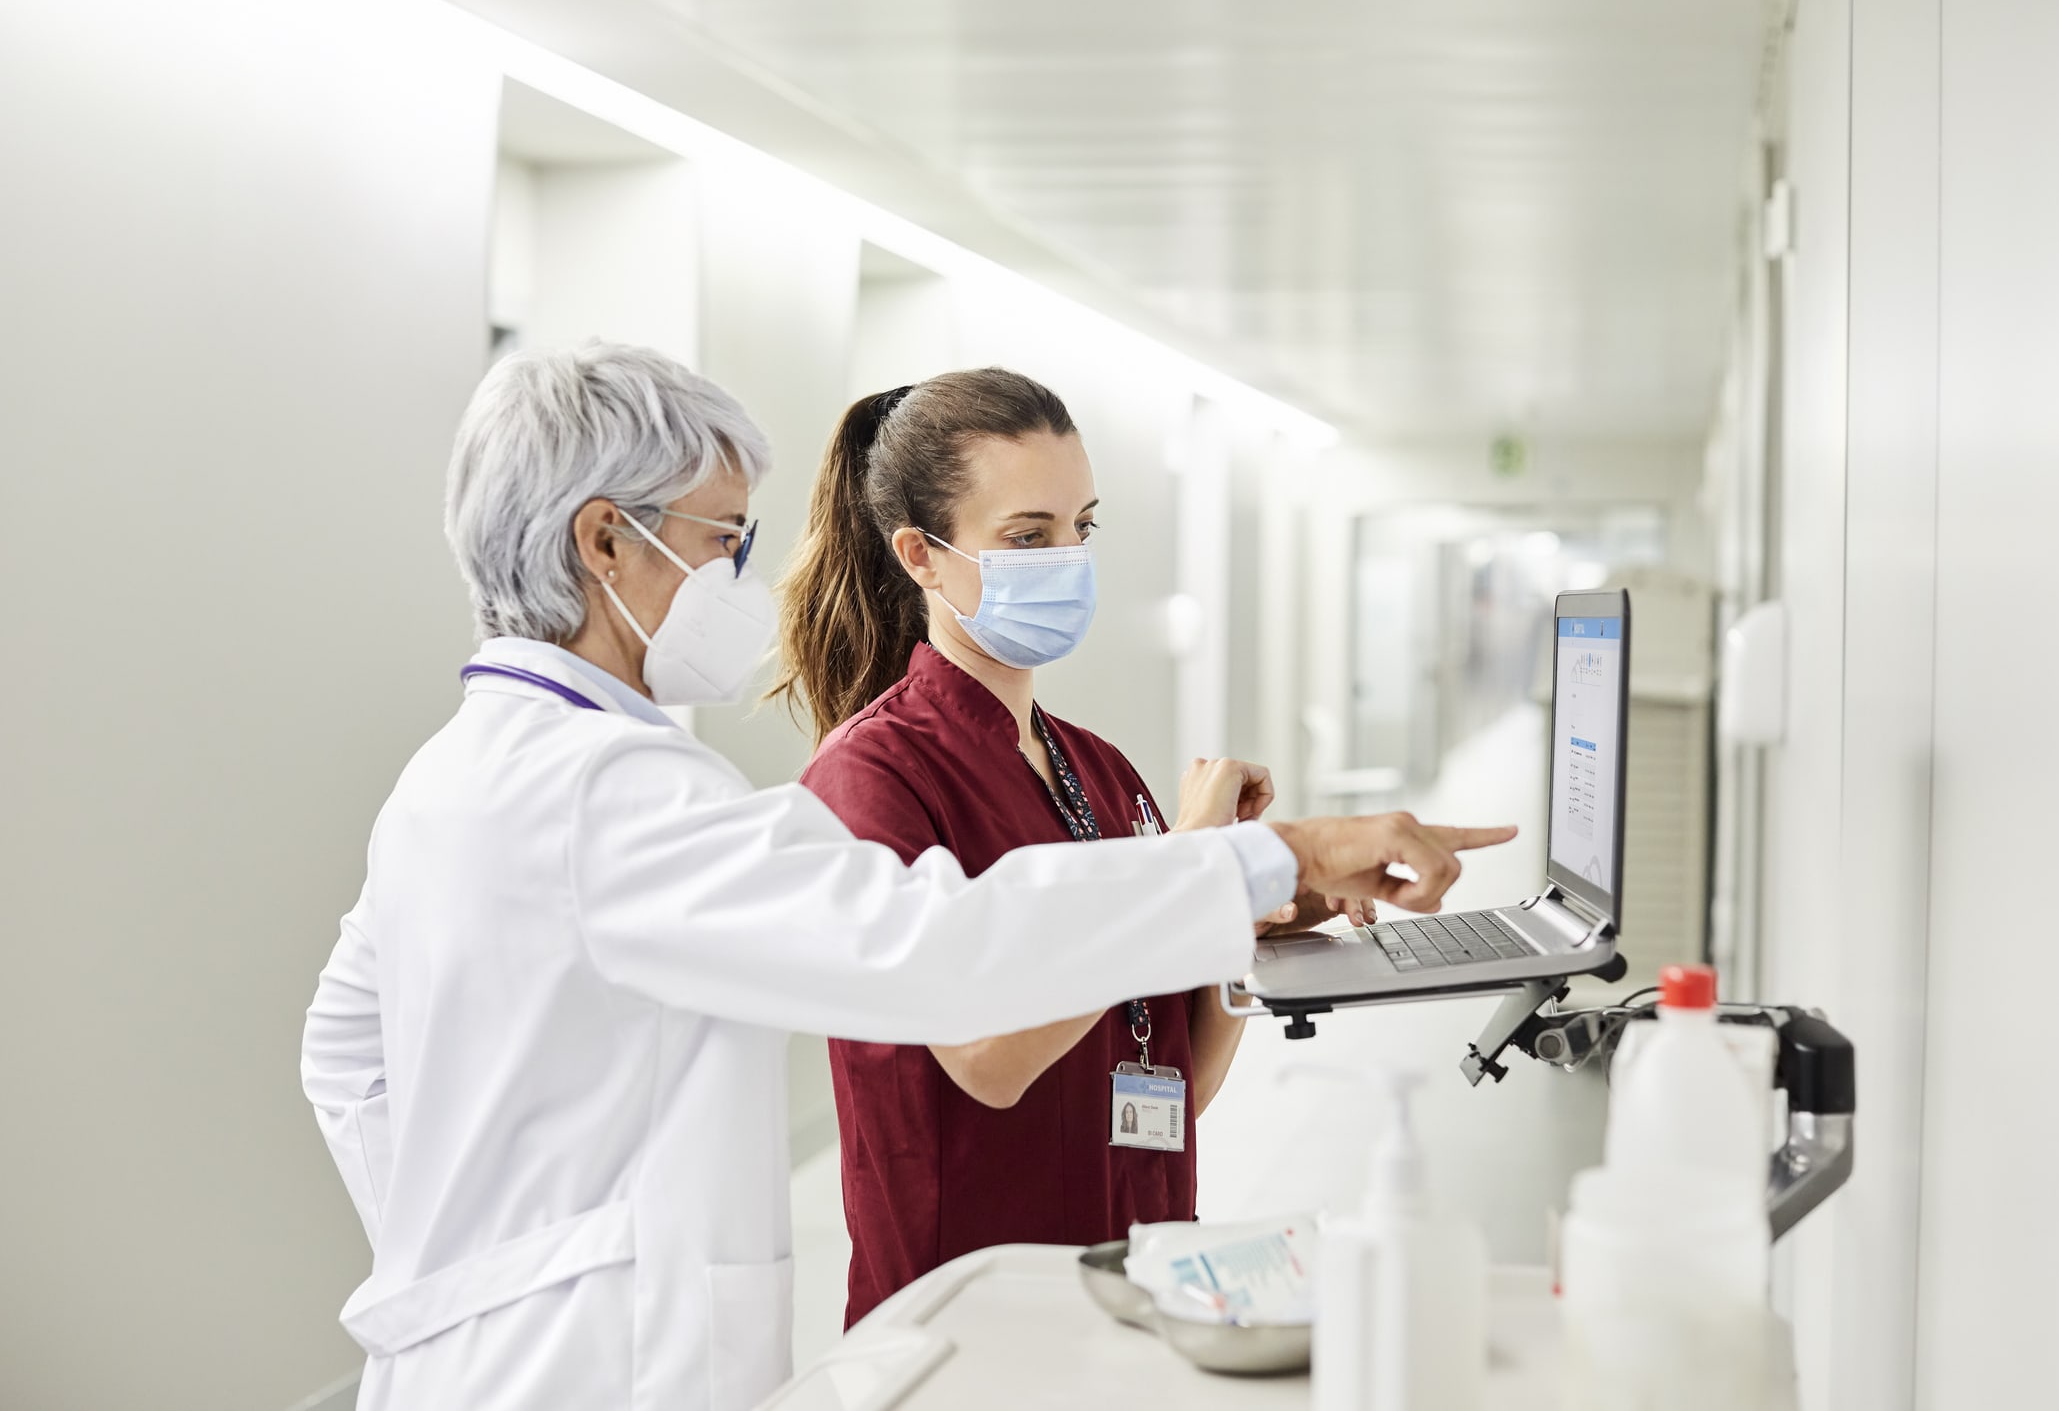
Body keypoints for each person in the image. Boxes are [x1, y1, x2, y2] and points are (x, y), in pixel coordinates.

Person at [298, 341, 1516, 1411]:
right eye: (723, 537)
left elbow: (343, 1051)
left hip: (501, 1348)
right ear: (605, 539)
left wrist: (470, 1250)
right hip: (582, 1367)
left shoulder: (457, 775)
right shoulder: (611, 792)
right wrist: (1262, 858)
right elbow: (942, 958)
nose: (739, 574)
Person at [768, 369, 1505, 1328]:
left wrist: (1244, 921)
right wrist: (1195, 864)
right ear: (922, 556)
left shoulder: (1098, 771)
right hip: (973, 1309)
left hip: (1142, 1267)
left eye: (1083, 526)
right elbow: (989, 1061)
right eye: (1027, 537)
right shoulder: (872, 779)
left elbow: (1177, 1082)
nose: (1067, 557)